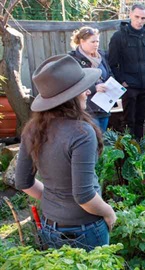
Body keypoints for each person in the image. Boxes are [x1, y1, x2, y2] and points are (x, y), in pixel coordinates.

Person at [15, 55, 117, 251]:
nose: (87, 92)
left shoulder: (32, 129)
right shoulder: (81, 132)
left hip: (49, 226)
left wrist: (56, 198)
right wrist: (109, 212)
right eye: (82, 89)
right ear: (69, 98)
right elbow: (85, 196)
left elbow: (22, 182)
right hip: (84, 230)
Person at [108, 4, 145, 140]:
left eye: (143, 18)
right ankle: (129, 150)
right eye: (137, 17)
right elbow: (112, 63)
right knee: (129, 120)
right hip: (129, 86)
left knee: (141, 119)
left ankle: (140, 149)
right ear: (130, 15)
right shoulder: (119, 37)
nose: (140, 21)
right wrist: (121, 81)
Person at [69, 26, 114, 133]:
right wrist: (94, 88)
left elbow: (109, 73)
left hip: (104, 106)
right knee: (92, 139)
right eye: (92, 41)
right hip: (87, 109)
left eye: (97, 41)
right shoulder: (73, 60)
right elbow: (73, 83)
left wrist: (112, 85)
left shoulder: (102, 56)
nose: (96, 44)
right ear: (82, 41)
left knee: (102, 140)